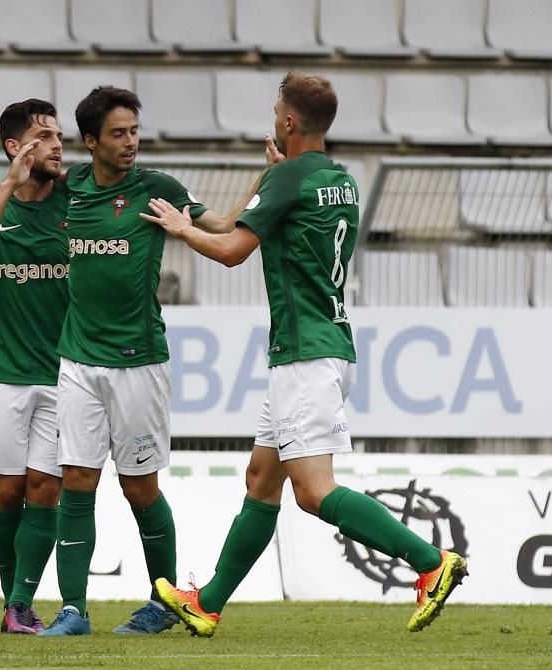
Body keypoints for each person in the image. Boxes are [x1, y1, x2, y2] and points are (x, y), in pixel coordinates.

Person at [142, 71, 469, 638]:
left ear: (289, 121)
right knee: (261, 480)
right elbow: (274, 217)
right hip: (324, 345)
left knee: (314, 491)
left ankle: (432, 564)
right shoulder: (340, 179)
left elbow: (230, 249)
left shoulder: (291, 179)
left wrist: (179, 227)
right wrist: (272, 175)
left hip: (305, 355)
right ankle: (208, 603)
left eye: (276, 112)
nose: (274, 118)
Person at [38, 85, 257, 637]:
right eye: (118, 133)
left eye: (134, 131)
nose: (131, 142)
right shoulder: (71, 188)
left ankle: (163, 604)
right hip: (78, 361)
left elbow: (226, 227)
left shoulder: (157, 189)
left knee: (139, 487)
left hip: (139, 363)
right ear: (90, 141)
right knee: (78, 479)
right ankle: (73, 611)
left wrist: (265, 182)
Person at [0, 99, 70, 635]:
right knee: (7, 491)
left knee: (45, 487)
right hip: (3, 372)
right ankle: (10, 598)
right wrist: (8, 185)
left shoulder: (75, 202)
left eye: (58, 136)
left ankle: (21, 603)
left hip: (64, 373)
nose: (56, 144)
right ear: (15, 147)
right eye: (43, 136)